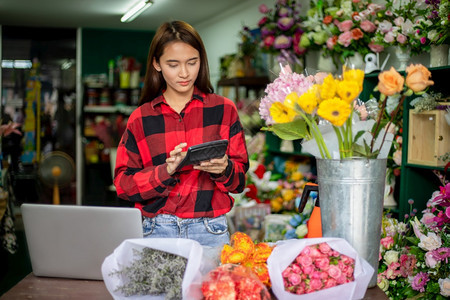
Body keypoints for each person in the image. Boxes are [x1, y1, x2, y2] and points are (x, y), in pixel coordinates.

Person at [114, 20, 249, 248]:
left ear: (201, 61)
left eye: (192, 62)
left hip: (210, 230)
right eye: (173, 65)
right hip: (157, 229)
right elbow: (123, 185)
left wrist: (224, 169)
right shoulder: (141, 118)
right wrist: (166, 171)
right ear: (157, 64)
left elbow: (239, 182)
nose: (184, 73)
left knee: (213, 286)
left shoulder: (224, 110)